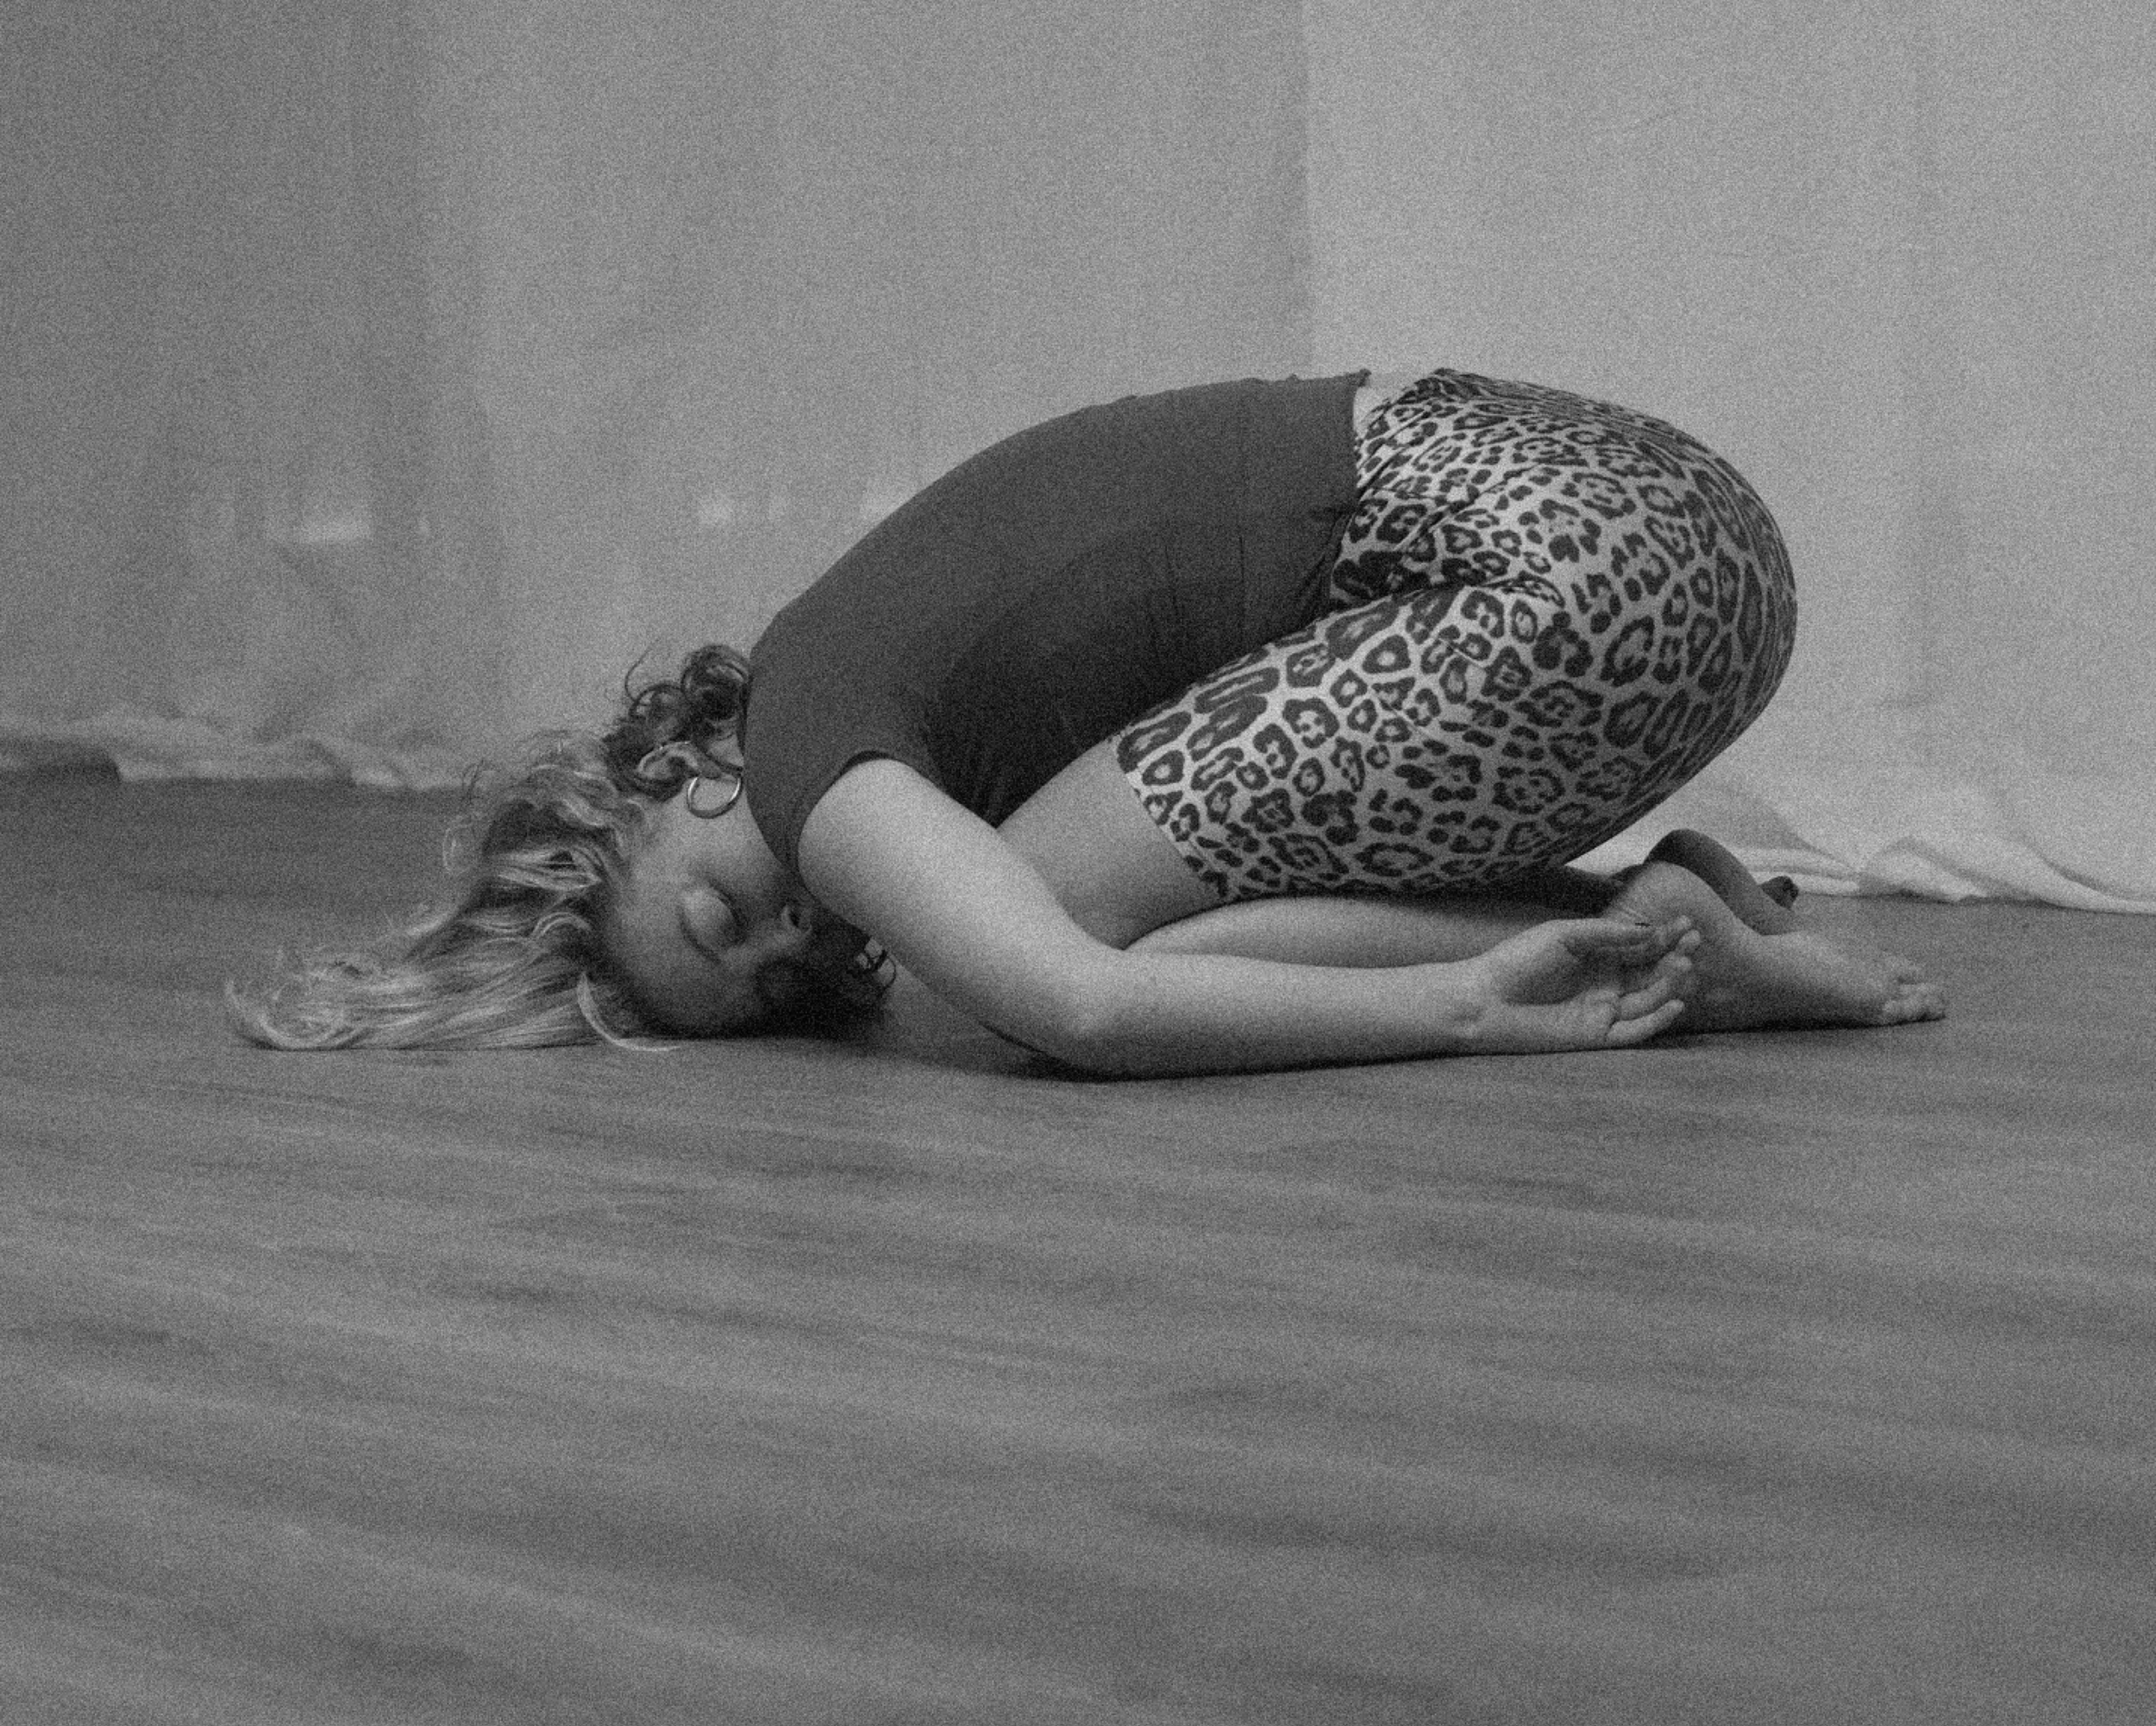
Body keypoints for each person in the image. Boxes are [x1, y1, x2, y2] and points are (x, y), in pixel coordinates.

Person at [228, 367, 1944, 1070]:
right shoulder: (868, 662)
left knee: (996, 988)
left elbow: (1088, 1007)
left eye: (720, 909)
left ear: (675, 768)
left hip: (1562, 563)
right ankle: (1645, 922)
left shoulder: (811, 738)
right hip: (1683, 540)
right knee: (985, 955)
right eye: (761, 983)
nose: (789, 937)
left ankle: (1609, 936)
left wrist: (1461, 1007)